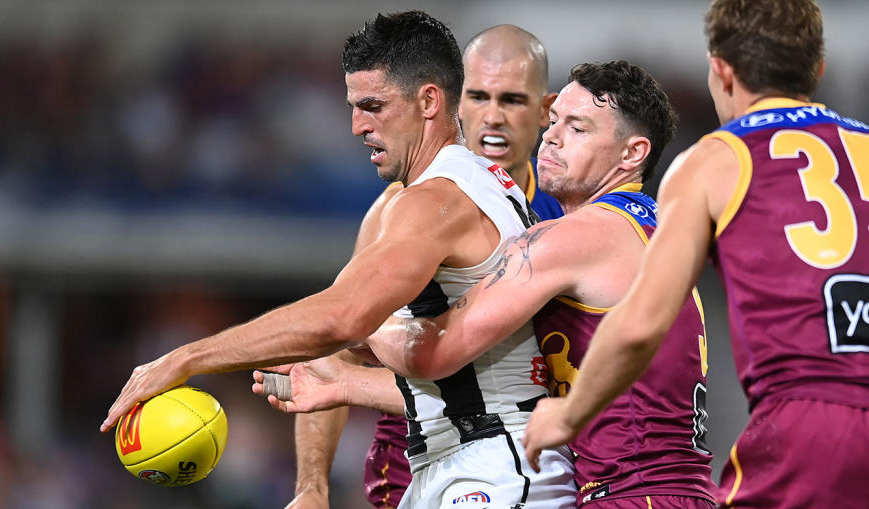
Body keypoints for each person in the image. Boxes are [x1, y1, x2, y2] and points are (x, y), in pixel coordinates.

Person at [101, 10, 575, 508]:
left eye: (372, 106)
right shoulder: (442, 194)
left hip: (497, 463)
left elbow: (340, 320)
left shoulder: (439, 202)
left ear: (429, 100)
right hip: (457, 458)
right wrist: (312, 486)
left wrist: (185, 359)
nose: (356, 126)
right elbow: (334, 352)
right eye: (353, 106)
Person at [521, 0, 869, 508]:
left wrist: (568, 414)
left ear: (721, 72)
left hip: (810, 425)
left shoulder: (716, 157)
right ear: (817, 69)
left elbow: (642, 319)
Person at [276, 60, 717, 508]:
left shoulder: (574, 236)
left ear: (632, 154)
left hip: (629, 493)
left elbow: (440, 350)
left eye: (578, 129)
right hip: (669, 488)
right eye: (556, 121)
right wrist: (349, 384)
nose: (553, 136)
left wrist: (360, 316)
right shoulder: (645, 229)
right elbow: (495, 389)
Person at [281, 24, 560, 509]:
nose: (491, 117)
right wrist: (312, 486)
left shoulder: (566, 217)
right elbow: (336, 349)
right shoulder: (397, 211)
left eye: (511, 100)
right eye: (477, 96)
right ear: (448, 100)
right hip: (409, 468)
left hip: (508, 463)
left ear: (544, 111)